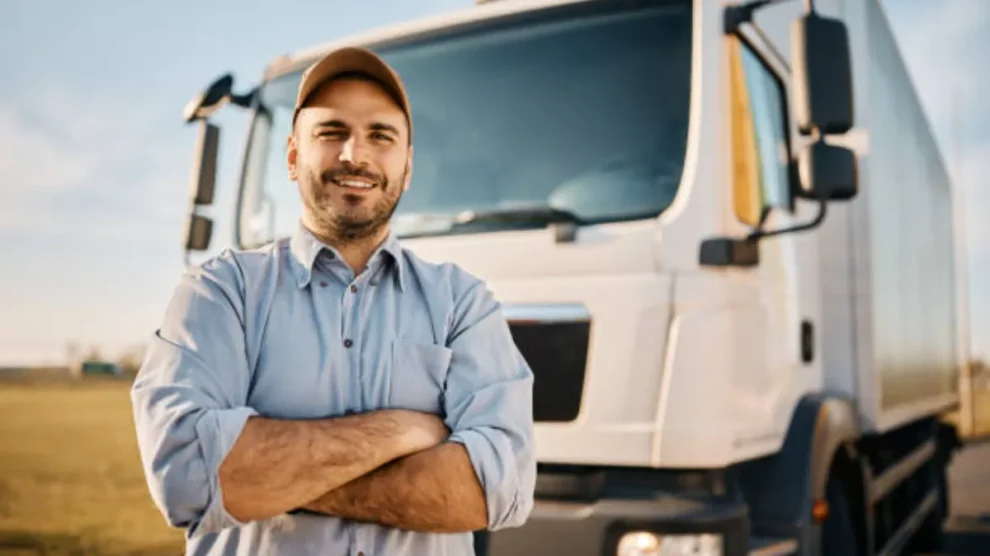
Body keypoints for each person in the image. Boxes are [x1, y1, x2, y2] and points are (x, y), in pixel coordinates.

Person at [130, 46, 536, 556]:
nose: (355, 154)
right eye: (331, 132)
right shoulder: (220, 292)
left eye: (380, 136)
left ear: (407, 166)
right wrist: (406, 429)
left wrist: (273, 480)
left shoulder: (463, 304)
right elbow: (187, 477)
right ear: (294, 156)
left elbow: (496, 487)